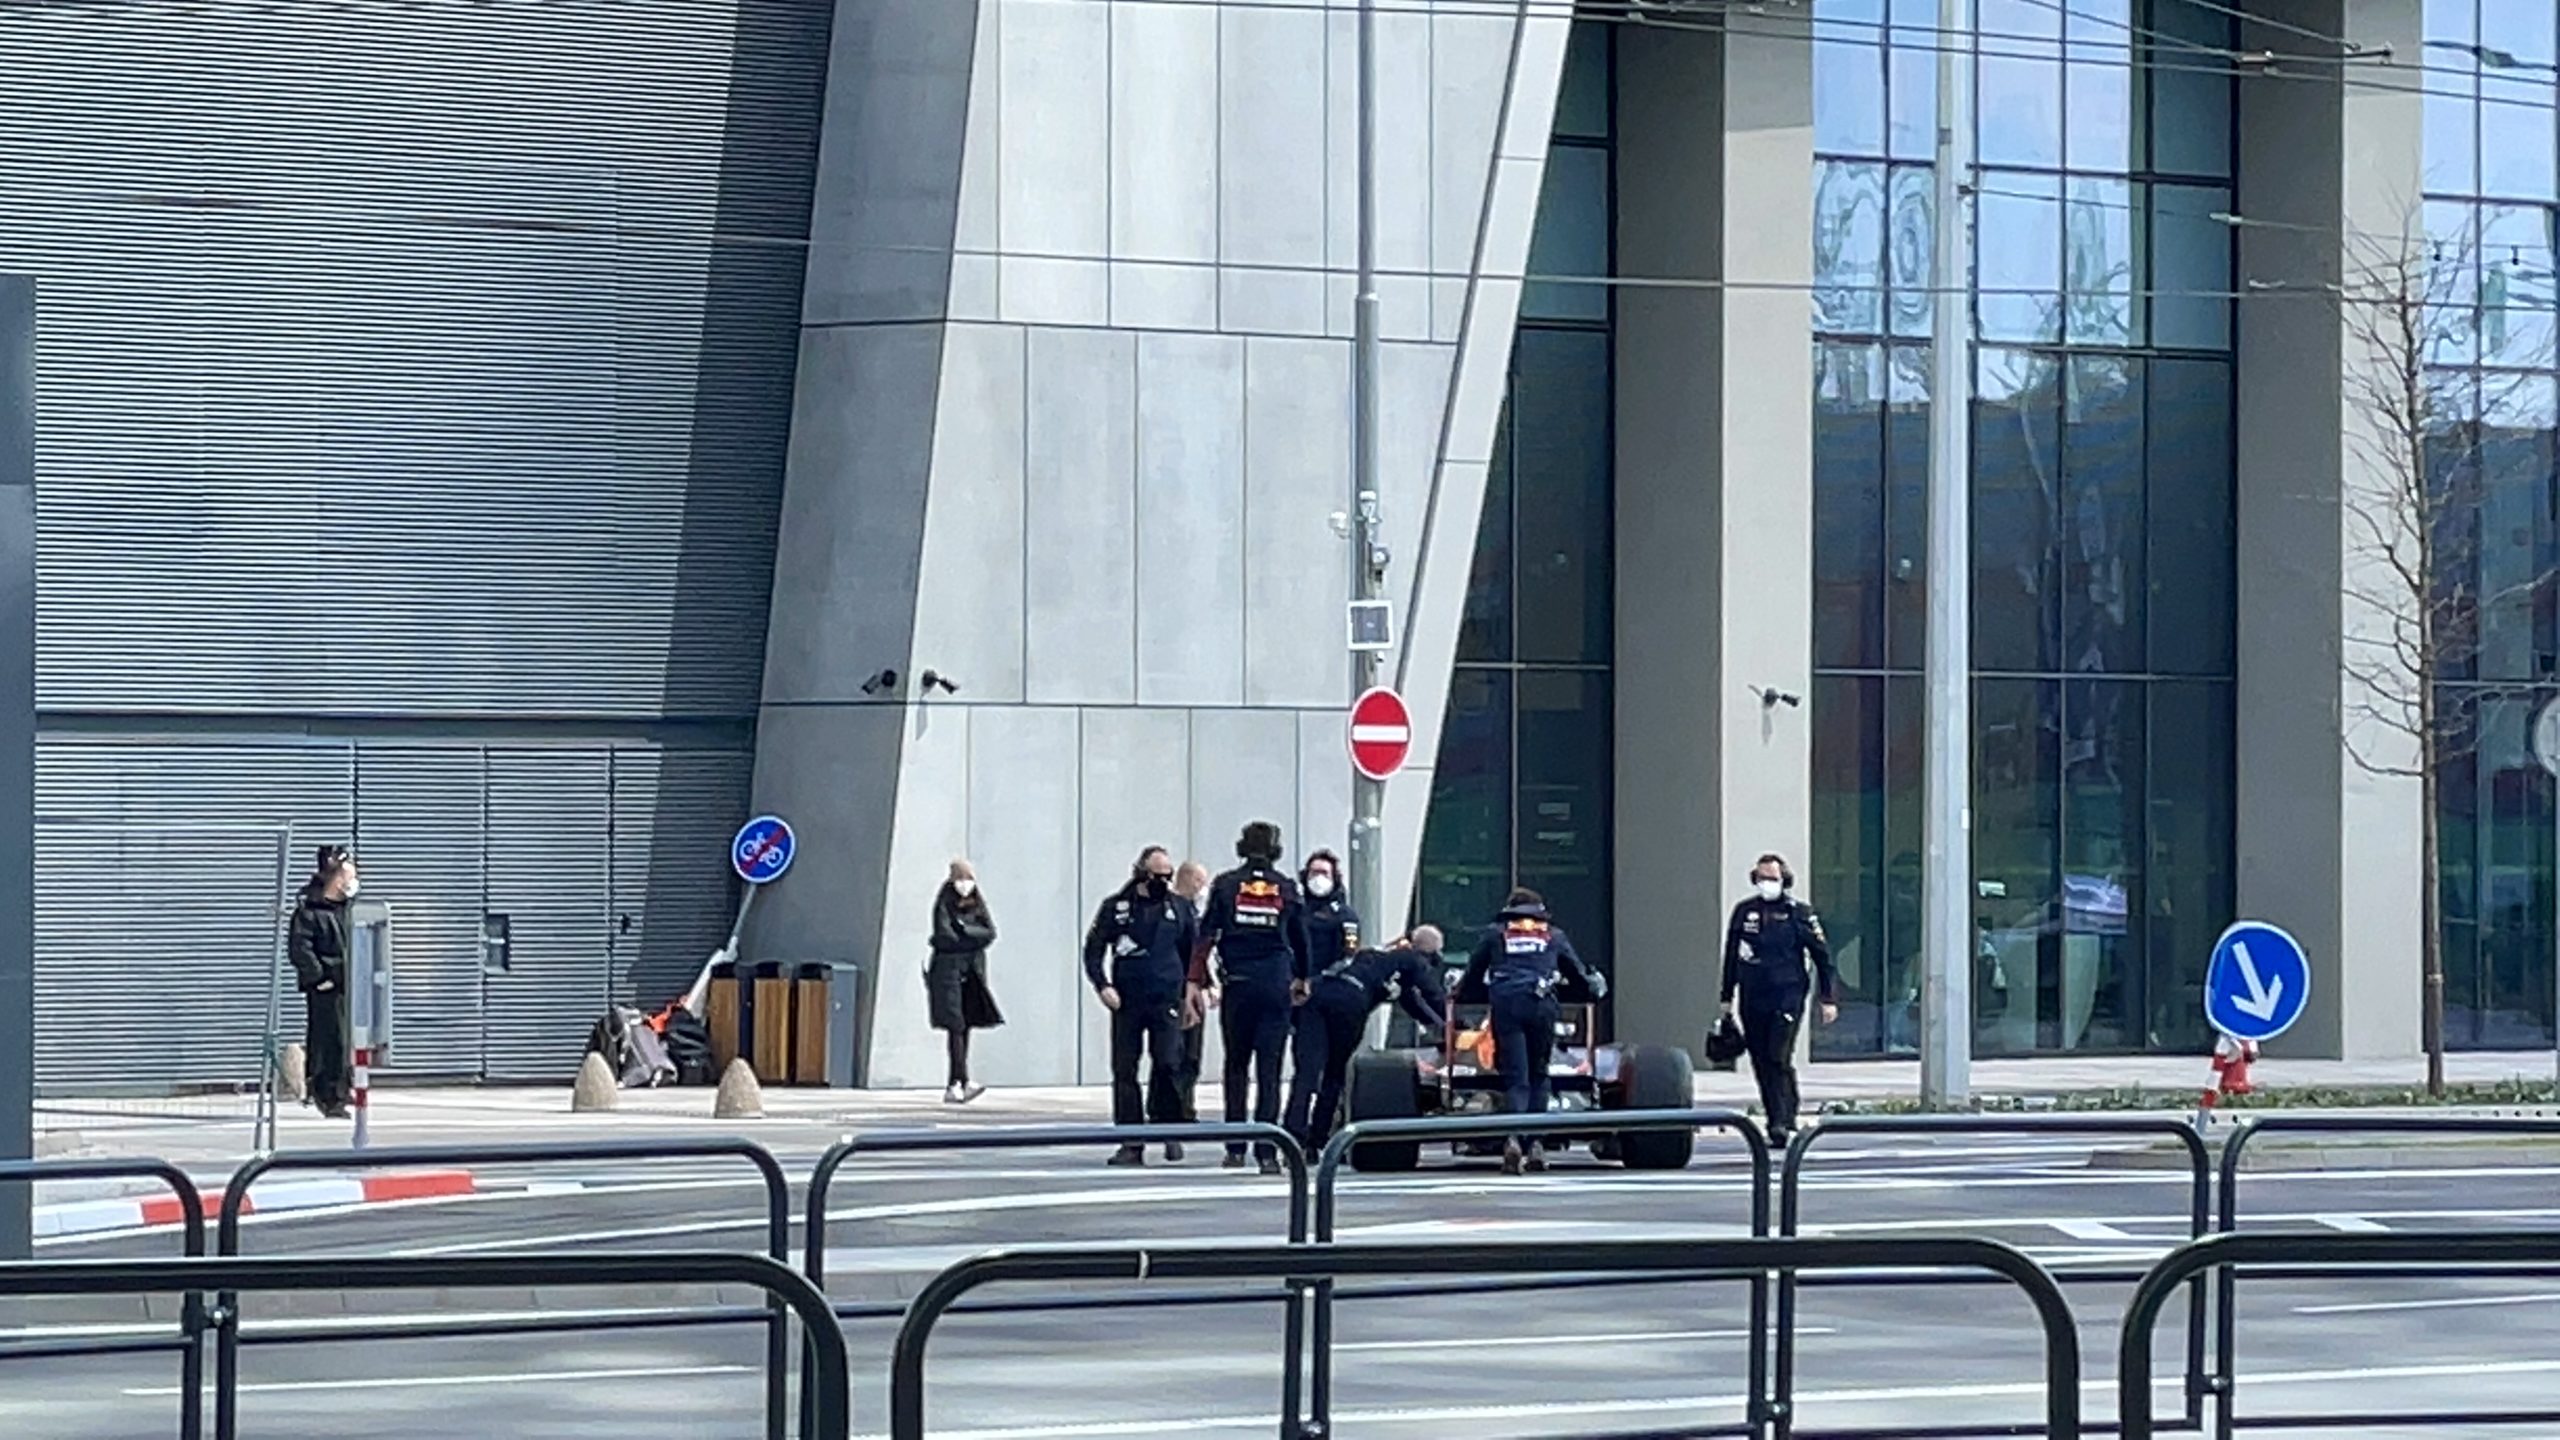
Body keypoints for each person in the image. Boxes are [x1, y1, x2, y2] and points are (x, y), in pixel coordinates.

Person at [1456, 887, 1607, 1174]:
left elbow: (1472, 976)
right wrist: (1590, 989)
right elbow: (1578, 978)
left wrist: (1466, 994)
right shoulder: (1553, 935)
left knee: (1517, 1078)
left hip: (1506, 1005)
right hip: (1542, 1004)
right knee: (1539, 1074)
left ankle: (1513, 1138)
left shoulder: (1496, 934)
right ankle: (1536, 1143)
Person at [1189, 820, 1311, 1175]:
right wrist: (1303, 978)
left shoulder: (1226, 885)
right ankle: (1267, 1152)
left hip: (1238, 983)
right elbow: (1300, 938)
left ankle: (1235, 1148)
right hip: (1275, 983)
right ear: (1276, 851)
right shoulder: (1286, 887)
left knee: (1236, 1065)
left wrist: (1195, 979)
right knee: (1269, 1069)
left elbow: (1206, 934)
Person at [1285, 926, 1449, 1151]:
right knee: (1334, 1073)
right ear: (1429, 953)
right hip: (1351, 1002)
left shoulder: (1376, 952)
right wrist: (1449, 1024)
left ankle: (1292, 1137)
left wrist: (1435, 1024)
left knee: (1306, 1072)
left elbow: (1410, 1000)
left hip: (1319, 994)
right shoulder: (1411, 959)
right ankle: (1317, 1140)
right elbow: (1432, 995)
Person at [1084, 847, 1199, 1166]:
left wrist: (1192, 992)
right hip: (1127, 1001)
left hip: (1166, 998)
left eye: (1168, 876)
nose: (1163, 881)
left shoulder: (1179, 908)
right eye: (1156, 875)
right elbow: (1093, 950)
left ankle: (1169, 1128)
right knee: (1125, 1069)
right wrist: (1103, 985)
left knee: (1168, 1064)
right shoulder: (1116, 907)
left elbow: (1193, 954)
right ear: (1141, 874)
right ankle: (1131, 1141)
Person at [1719, 852, 1840, 1145]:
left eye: (1772, 878)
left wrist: (1828, 998)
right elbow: (1732, 954)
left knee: (1778, 1055)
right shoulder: (1744, 911)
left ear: (1784, 880)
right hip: (1752, 996)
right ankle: (1775, 1117)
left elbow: (1823, 958)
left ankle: (1784, 1118)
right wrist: (1726, 996)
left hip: (1787, 996)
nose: (1767, 883)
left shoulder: (1799, 913)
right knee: (1760, 1060)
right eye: (1761, 877)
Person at [288, 846, 359, 1120]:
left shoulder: (347, 910)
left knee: (346, 1040)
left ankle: (343, 1086)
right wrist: (320, 978)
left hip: (349, 985)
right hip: (327, 987)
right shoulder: (311, 911)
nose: (354, 881)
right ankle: (327, 1095)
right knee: (328, 1040)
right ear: (337, 879)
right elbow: (300, 948)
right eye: (349, 875)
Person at [926, 859, 1001, 1104]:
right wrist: (970, 936)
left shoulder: (977, 901)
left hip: (972, 971)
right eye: (961, 878)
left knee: (967, 1023)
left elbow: (989, 932)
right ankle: (955, 1082)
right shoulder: (944, 901)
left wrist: (964, 929)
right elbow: (944, 935)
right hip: (947, 971)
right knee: (955, 1024)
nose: (965, 884)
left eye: (969, 878)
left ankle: (962, 1080)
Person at [1170, 859, 1214, 1127]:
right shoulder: (1174, 910)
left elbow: (1200, 955)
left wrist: (1208, 984)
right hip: (1176, 990)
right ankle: (1173, 1108)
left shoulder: (1197, 914)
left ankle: (1186, 1106)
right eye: (1199, 880)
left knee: (1192, 1055)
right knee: (1175, 1054)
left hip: (1194, 989)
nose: (1202, 887)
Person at [1299, 848, 1362, 976]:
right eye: (1314, 873)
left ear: (1334, 878)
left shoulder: (1346, 916)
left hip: (1331, 981)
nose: (1318, 878)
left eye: (1324, 873)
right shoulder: (1295, 910)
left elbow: (1349, 955)